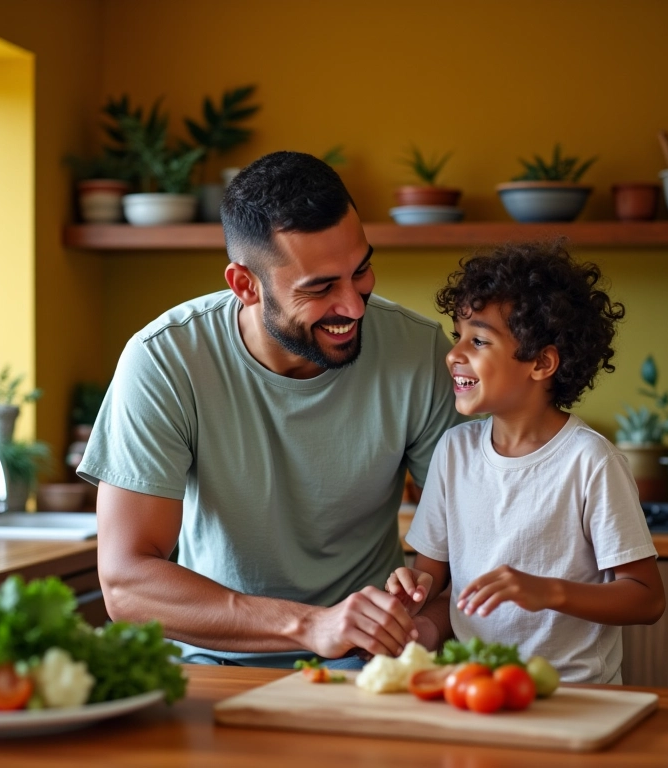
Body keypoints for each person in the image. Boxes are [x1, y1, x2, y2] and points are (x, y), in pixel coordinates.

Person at [77, 151, 465, 668]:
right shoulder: (165, 360)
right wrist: (310, 625)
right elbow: (127, 586)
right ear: (245, 286)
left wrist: (422, 627)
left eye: (362, 270)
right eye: (321, 287)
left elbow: (477, 540)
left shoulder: (419, 352)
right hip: (209, 662)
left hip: (368, 666)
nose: (352, 305)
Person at [386, 242, 666, 683]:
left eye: (478, 340)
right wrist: (413, 589)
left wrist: (546, 590)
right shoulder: (453, 452)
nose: (454, 353)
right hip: (471, 687)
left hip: (575, 695)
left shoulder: (590, 460)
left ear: (541, 363)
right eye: (457, 335)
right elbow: (433, 575)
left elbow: (647, 599)